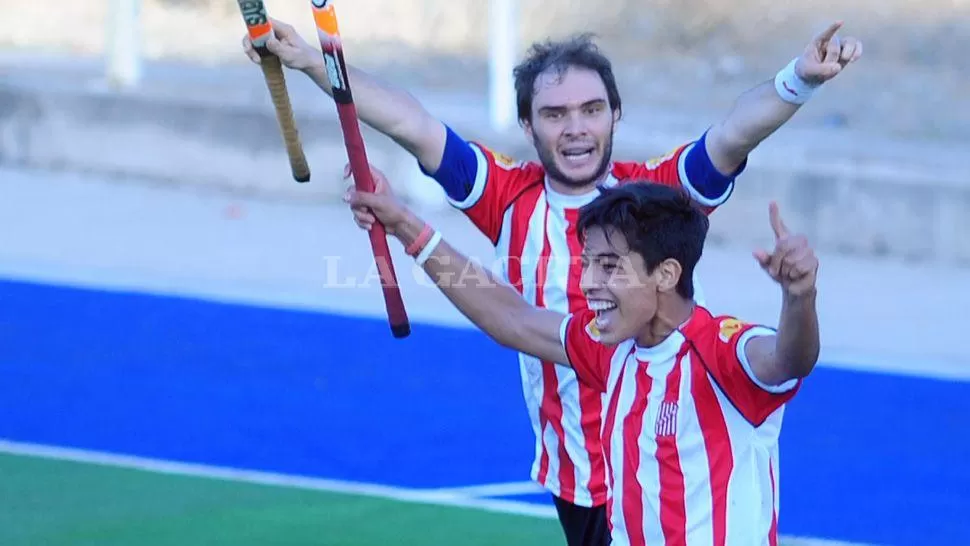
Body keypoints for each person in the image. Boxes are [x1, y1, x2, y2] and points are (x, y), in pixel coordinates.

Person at [244, 21, 857, 545]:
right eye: (554, 114)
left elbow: (733, 134)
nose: (575, 129)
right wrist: (314, 65)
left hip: (671, 450)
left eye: (591, 110)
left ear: (615, 114)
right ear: (529, 125)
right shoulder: (508, 198)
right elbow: (412, 125)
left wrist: (797, 79)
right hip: (580, 477)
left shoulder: (657, 196)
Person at [344, 167, 820, 546]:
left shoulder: (722, 350)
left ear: (666, 273)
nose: (589, 282)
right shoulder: (612, 349)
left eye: (609, 266)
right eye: (587, 263)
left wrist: (799, 297)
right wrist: (404, 224)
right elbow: (513, 320)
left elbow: (788, 359)